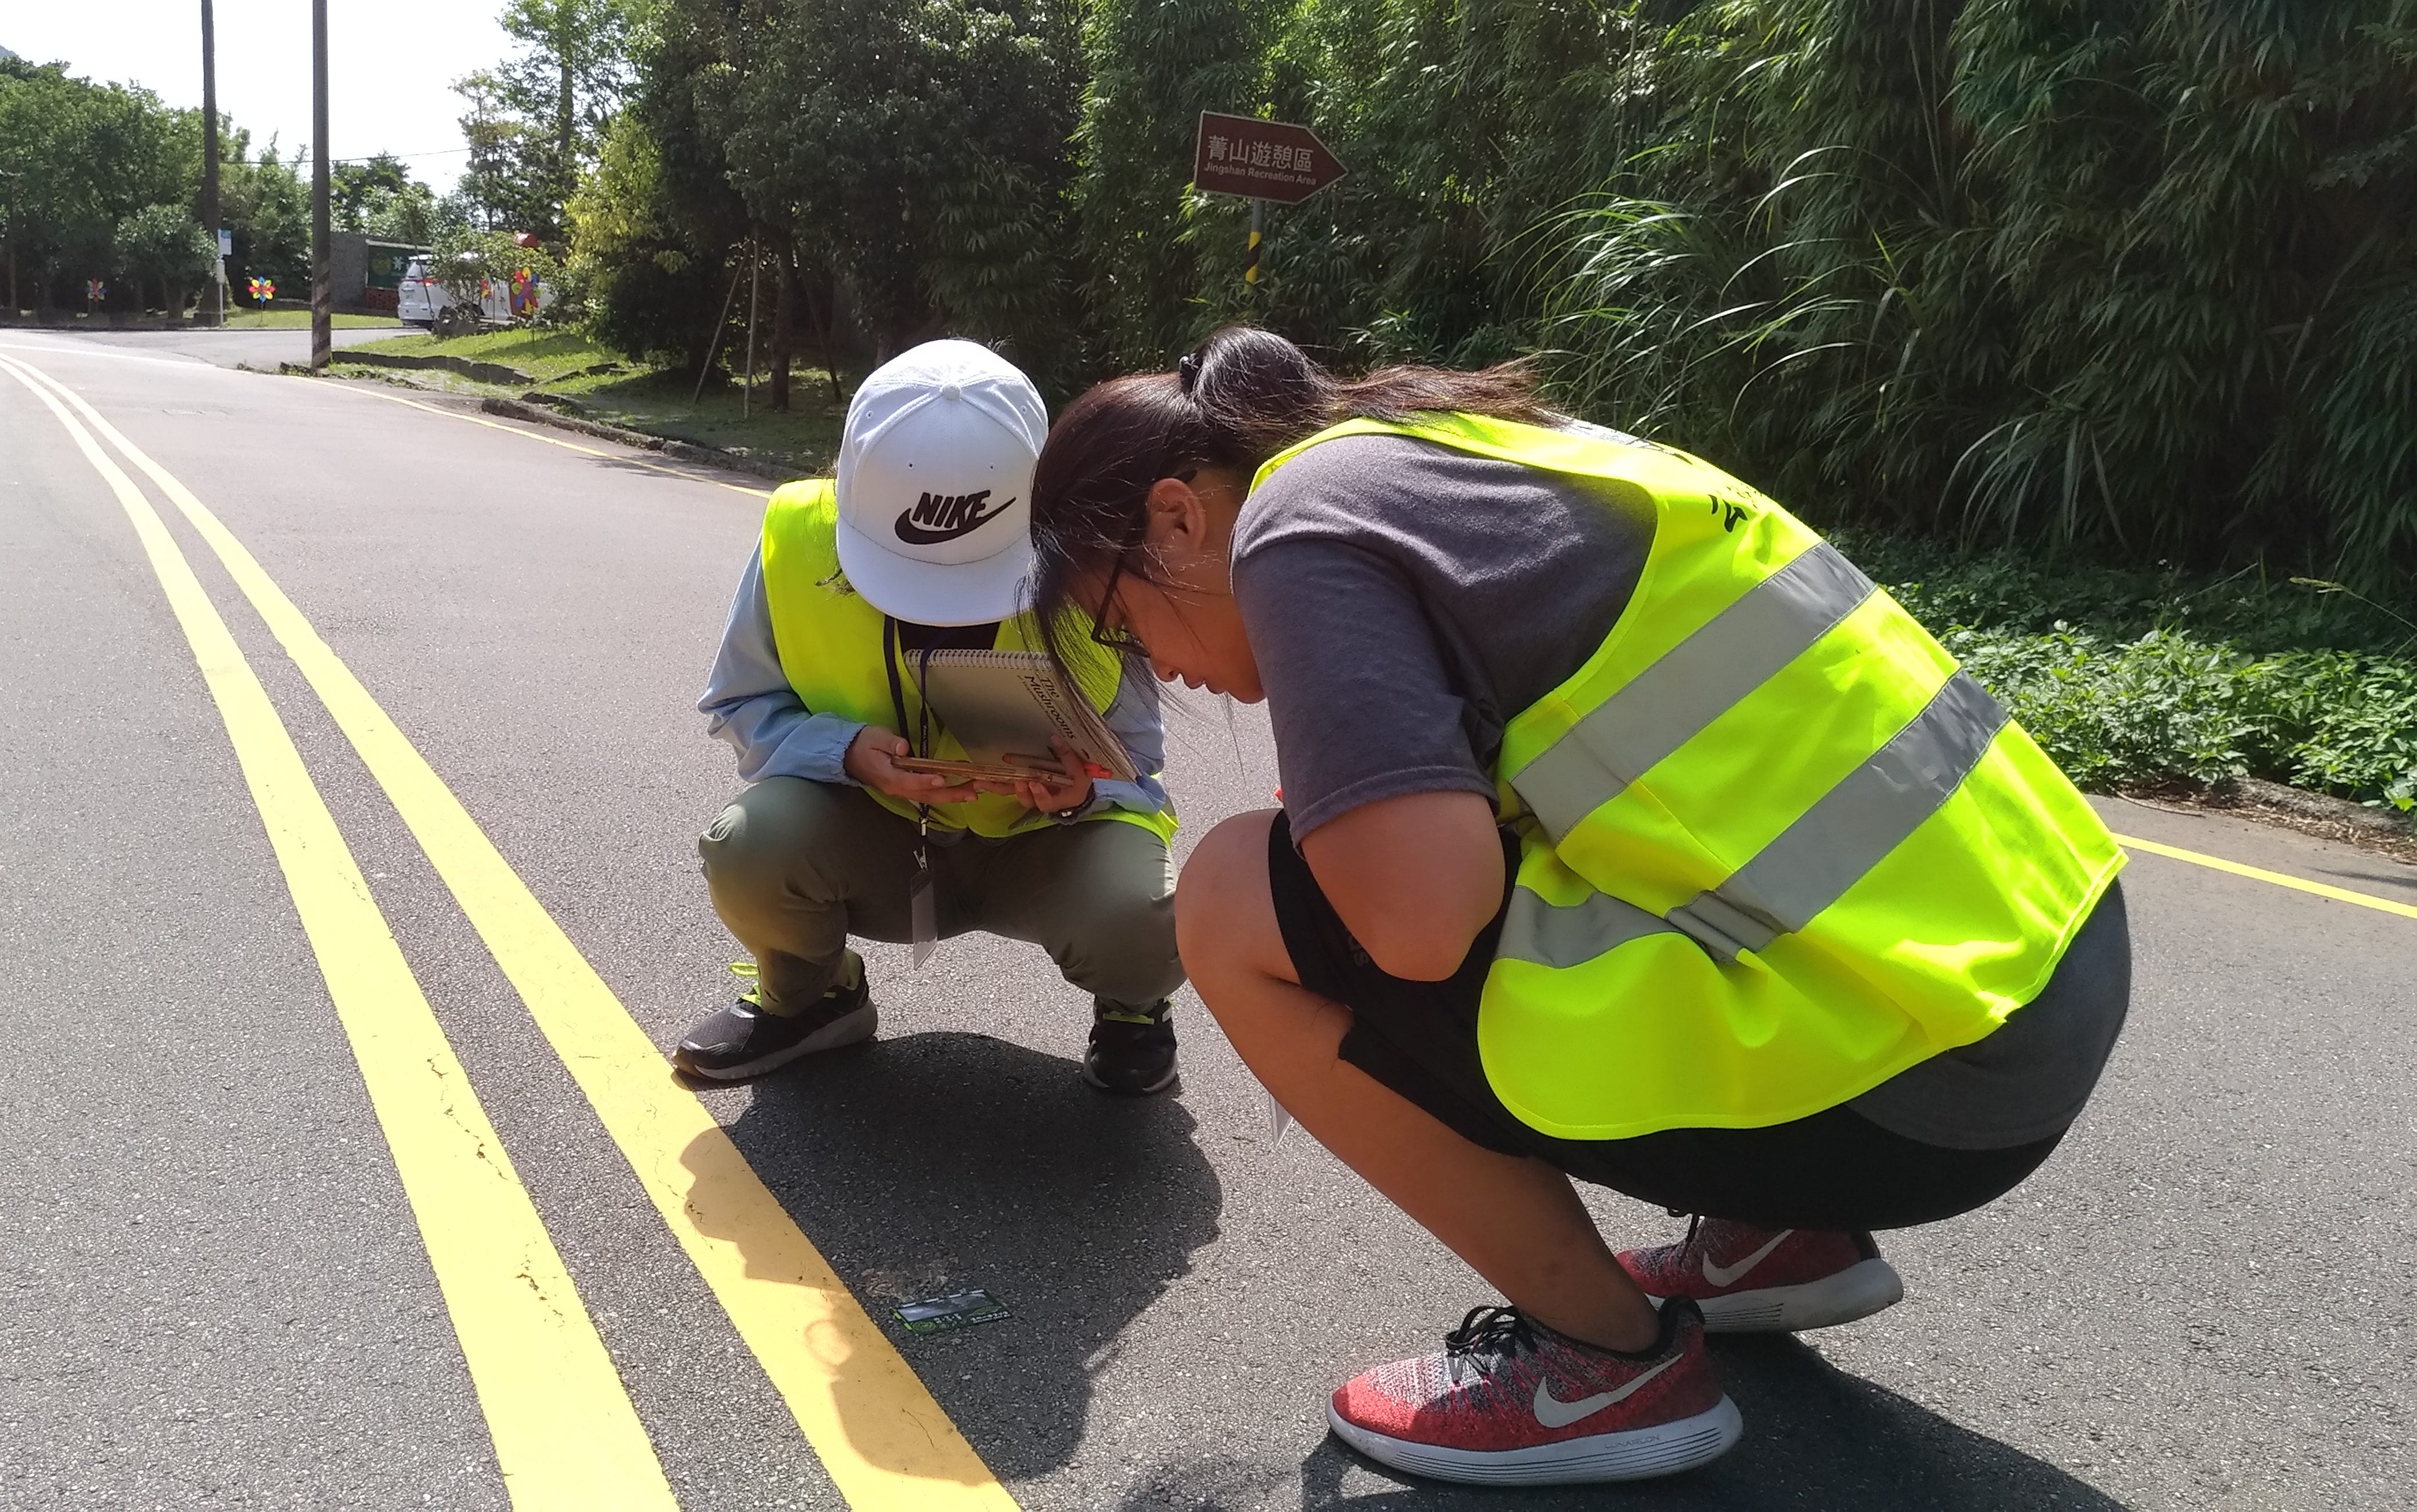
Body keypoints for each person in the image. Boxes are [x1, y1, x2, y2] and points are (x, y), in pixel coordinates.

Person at [1023, 327, 2132, 1485]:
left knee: (1232, 898)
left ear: (1177, 518)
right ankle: (1771, 1237)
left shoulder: (1295, 520)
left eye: (1119, 622)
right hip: (2043, 959)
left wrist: (1347, 831)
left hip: (1927, 1072)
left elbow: (1417, 926)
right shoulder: (1466, 444)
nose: (1151, 666)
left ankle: (1605, 1360)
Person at [682, 339, 1186, 1094]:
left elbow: (1139, 766)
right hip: (880, 833)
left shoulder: (1095, 560)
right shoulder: (799, 537)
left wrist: (1084, 791)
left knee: (1147, 919)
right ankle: (813, 997)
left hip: (1046, 847)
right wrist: (843, 752)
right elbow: (739, 701)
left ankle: (1133, 1007)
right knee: (749, 848)